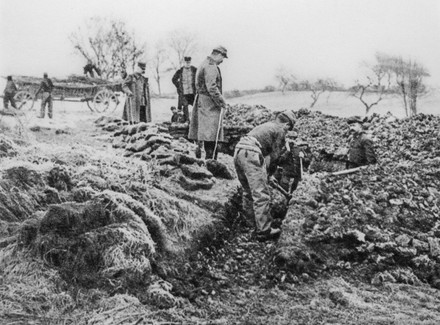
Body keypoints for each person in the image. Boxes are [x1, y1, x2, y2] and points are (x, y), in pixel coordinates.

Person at [234, 110, 296, 242]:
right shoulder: (279, 131)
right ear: (286, 125)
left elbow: (266, 154)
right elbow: (273, 157)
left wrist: (267, 174)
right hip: (251, 153)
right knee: (261, 194)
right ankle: (264, 230)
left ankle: (249, 224)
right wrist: (269, 174)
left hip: (239, 151)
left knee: (248, 191)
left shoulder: (266, 126)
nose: (286, 132)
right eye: (288, 130)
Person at [188, 46, 228, 160]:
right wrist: (222, 102)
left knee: (207, 135)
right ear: (218, 55)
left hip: (203, 102)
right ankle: (211, 163)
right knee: (211, 136)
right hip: (209, 105)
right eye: (223, 57)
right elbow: (212, 88)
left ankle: (209, 161)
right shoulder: (211, 66)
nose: (222, 61)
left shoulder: (204, 63)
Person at [172, 56, 197, 122]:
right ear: (184, 62)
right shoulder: (180, 71)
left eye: (189, 62)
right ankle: (187, 120)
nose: (188, 64)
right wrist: (179, 86)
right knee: (185, 106)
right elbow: (174, 79)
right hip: (184, 93)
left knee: (196, 106)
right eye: (186, 62)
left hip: (192, 93)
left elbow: (200, 78)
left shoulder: (194, 70)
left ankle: (196, 120)